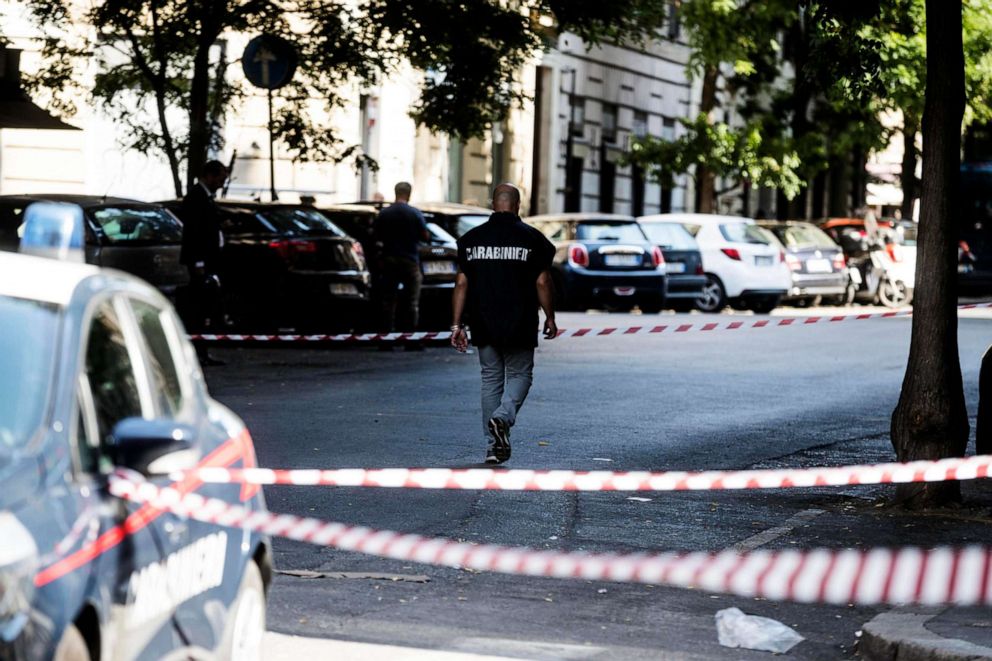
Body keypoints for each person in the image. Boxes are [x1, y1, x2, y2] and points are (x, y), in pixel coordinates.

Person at [451, 183, 557, 464]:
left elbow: (461, 283)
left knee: (490, 380)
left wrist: (456, 325)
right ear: (518, 205)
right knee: (521, 375)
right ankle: (503, 416)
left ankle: (493, 447)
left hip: (483, 321)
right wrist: (550, 316)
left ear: (492, 204)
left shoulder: (470, 240)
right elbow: (543, 280)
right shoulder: (533, 239)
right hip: (519, 321)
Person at [180, 159, 229, 366]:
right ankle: (197, 352)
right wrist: (198, 261)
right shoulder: (196, 198)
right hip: (201, 262)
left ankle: (202, 351)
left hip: (207, 260)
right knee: (199, 307)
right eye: (220, 178)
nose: (221, 183)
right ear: (210, 175)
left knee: (205, 307)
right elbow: (193, 232)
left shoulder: (206, 198)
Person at [373, 181, 429, 336]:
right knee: (412, 301)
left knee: (388, 300)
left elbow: (376, 235)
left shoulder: (384, 213)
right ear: (409, 194)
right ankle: (410, 336)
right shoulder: (415, 213)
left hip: (389, 260)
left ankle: (386, 336)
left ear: (395, 192)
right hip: (410, 260)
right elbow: (425, 236)